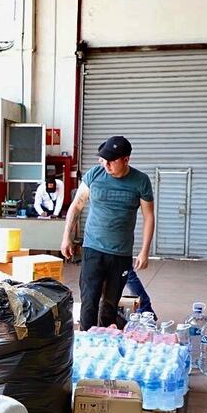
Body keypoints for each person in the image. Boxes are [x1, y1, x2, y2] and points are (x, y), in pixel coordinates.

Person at [62, 136, 154, 330]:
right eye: (104, 160)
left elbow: (149, 216)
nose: (106, 164)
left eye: (112, 161)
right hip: (93, 248)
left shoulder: (141, 181)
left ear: (126, 160)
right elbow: (76, 206)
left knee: (111, 303)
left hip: (120, 253)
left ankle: (106, 342)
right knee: (89, 300)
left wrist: (144, 251)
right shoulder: (95, 174)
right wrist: (66, 237)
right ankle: (86, 342)